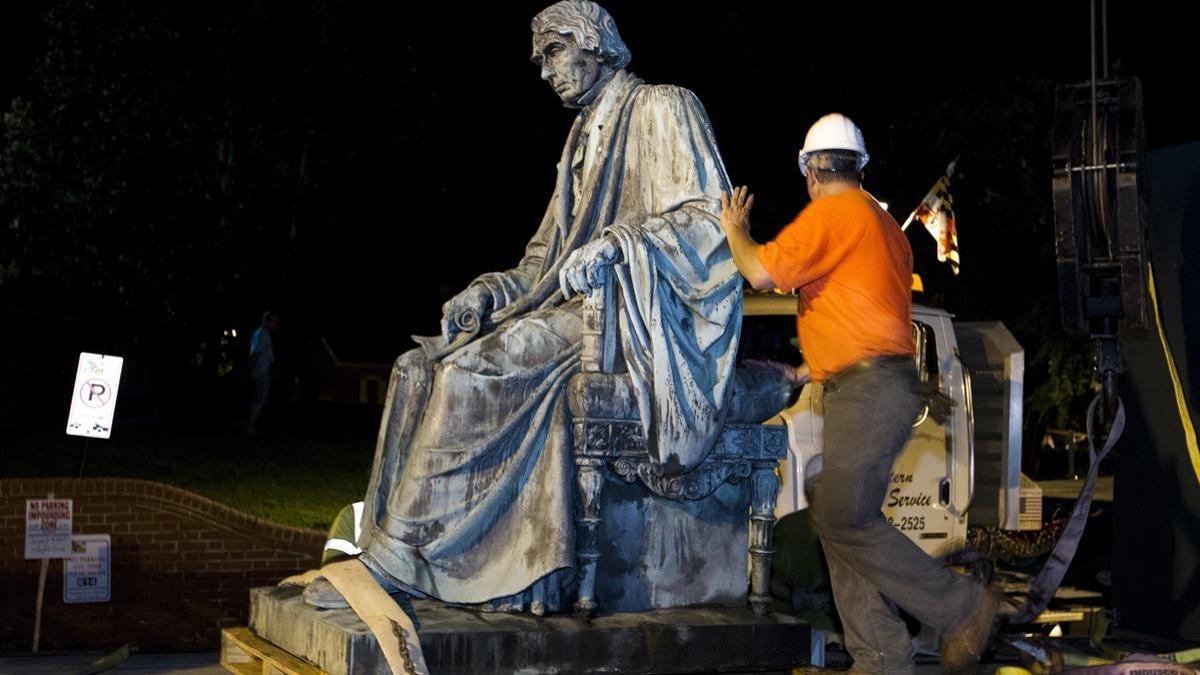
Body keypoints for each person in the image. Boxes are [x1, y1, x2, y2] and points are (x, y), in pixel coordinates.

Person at [301, 0, 741, 613]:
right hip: (574, 307)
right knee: (416, 368)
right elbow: (542, 264)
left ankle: (408, 557)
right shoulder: (580, 142)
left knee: (471, 372)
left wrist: (620, 245)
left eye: (554, 52)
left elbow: (708, 225)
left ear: (594, 44)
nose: (544, 70)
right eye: (540, 59)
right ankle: (412, 548)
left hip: (634, 319)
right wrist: (489, 292)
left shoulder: (664, 106)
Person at [718, 113, 1003, 674]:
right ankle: (880, 656)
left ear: (811, 171)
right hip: (876, 385)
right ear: (860, 165)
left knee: (846, 518)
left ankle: (962, 607)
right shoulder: (883, 227)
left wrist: (734, 229)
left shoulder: (834, 212)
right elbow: (868, 316)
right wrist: (808, 370)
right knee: (835, 509)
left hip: (867, 391)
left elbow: (760, 272)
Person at [246, 310, 279, 436]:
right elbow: (256, 353)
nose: (276, 324)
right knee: (260, 399)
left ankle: (252, 424)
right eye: (274, 321)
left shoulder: (260, 333)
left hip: (260, 370)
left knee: (259, 398)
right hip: (260, 371)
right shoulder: (263, 334)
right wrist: (249, 370)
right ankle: (251, 425)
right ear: (268, 321)